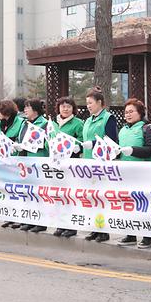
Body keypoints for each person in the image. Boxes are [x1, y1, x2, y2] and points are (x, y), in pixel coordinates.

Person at [115, 98, 151, 249]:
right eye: (126, 112)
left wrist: (133, 150)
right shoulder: (122, 130)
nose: (128, 114)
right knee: (129, 205)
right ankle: (131, 235)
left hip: (144, 174)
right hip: (126, 174)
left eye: (131, 111)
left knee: (144, 205)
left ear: (140, 112)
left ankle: (147, 237)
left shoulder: (147, 128)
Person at [82, 88, 118, 243]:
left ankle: (103, 231)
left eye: (90, 103)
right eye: (87, 103)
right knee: (91, 199)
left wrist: (94, 144)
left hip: (102, 165)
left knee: (101, 199)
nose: (88, 106)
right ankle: (94, 229)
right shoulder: (88, 119)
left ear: (100, 103)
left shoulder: (108, 118)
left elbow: (112, 140)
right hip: (89, 164)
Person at [51, 97, 84, 238]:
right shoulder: (53, 123)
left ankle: (71, 227)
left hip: (71, 164)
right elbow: (49, 139)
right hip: (56, 164)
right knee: (58, 196)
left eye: (68, 106)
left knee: (69, 196)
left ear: (73, 108)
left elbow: (83, 140)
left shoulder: (78, 123)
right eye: (63, 106)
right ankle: (60, 224)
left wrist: (77, 147)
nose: (65, 109)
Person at [17, 99, 50, 232]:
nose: (25, 110)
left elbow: (46, 142)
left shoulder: (44, 123)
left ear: (35, 110)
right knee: (29, 193)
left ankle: (41, 222)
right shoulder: (25, 123)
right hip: (26, 162)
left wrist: (27, 144)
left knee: (39, 194)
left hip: (38, 162)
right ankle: (31, 219)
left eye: (27, 108)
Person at [0, 100, 26, 228]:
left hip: (17, 160)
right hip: (5, 160)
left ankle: (21, 218)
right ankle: (10, 217)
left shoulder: (20, 122)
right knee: (8, 191)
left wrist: (13, 143)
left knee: (19, 191)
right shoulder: (0, 124)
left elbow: (21, 138)